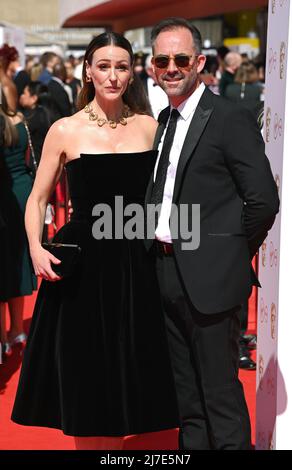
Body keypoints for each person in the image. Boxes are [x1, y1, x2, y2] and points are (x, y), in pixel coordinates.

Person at [11, 32, 179, 450]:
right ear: (88, 70)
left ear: (132, 71)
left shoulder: (148, 127)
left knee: (137, 375)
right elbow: (37, 199)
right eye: (103, 66)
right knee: (88, 378)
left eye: (121, 66)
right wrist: (35, 247)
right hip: (84, 270)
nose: (112, 75)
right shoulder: (65, 129)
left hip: (139, 265)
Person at [145, 17, 280, 450]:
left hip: (212, 282)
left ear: (200, 62)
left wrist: (226, 252)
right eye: (162, 59)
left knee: (220, 396)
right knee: (187, 399)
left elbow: (263, 201)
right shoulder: (163, 118)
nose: (171, 67)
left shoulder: (229, 117)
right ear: (152, 65)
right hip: (164, 272)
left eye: (181, 59)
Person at [0, 91, 37, 358]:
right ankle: (17, 330)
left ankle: (2, 336)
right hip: (24, 192)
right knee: (19, 261)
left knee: (4, 264)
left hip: (6, 197)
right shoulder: (19, 119)